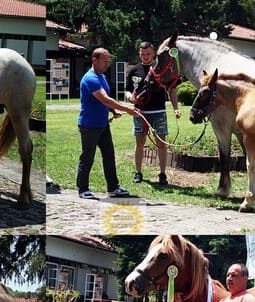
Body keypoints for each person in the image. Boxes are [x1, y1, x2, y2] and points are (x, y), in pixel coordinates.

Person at [76, 48, 141, 199]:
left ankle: (113, 187)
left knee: (109, 155)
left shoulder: (102, 77)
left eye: (108, 61)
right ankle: (83, 189)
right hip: (89, 126)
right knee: (87, 158)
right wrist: (127, 109)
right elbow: (104, 98)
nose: (107, 64)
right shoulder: (90, 78)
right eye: (104, 61)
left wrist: (113, 111)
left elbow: (107, 101)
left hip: (103, 124)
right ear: (94, 60)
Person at [125, 41, 180, 186]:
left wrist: (175, 108)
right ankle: (138, 172)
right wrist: (129, 96)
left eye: (148, 54)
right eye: (142, 54)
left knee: (161, 143)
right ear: (139, 54)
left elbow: (172, 89)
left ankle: (162, 174)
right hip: (140, 112)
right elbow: (127, 89)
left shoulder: (161, 68)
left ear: (154, 53)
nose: (145, 56)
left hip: (158, 111)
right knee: (139, 143)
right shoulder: (134, 70)